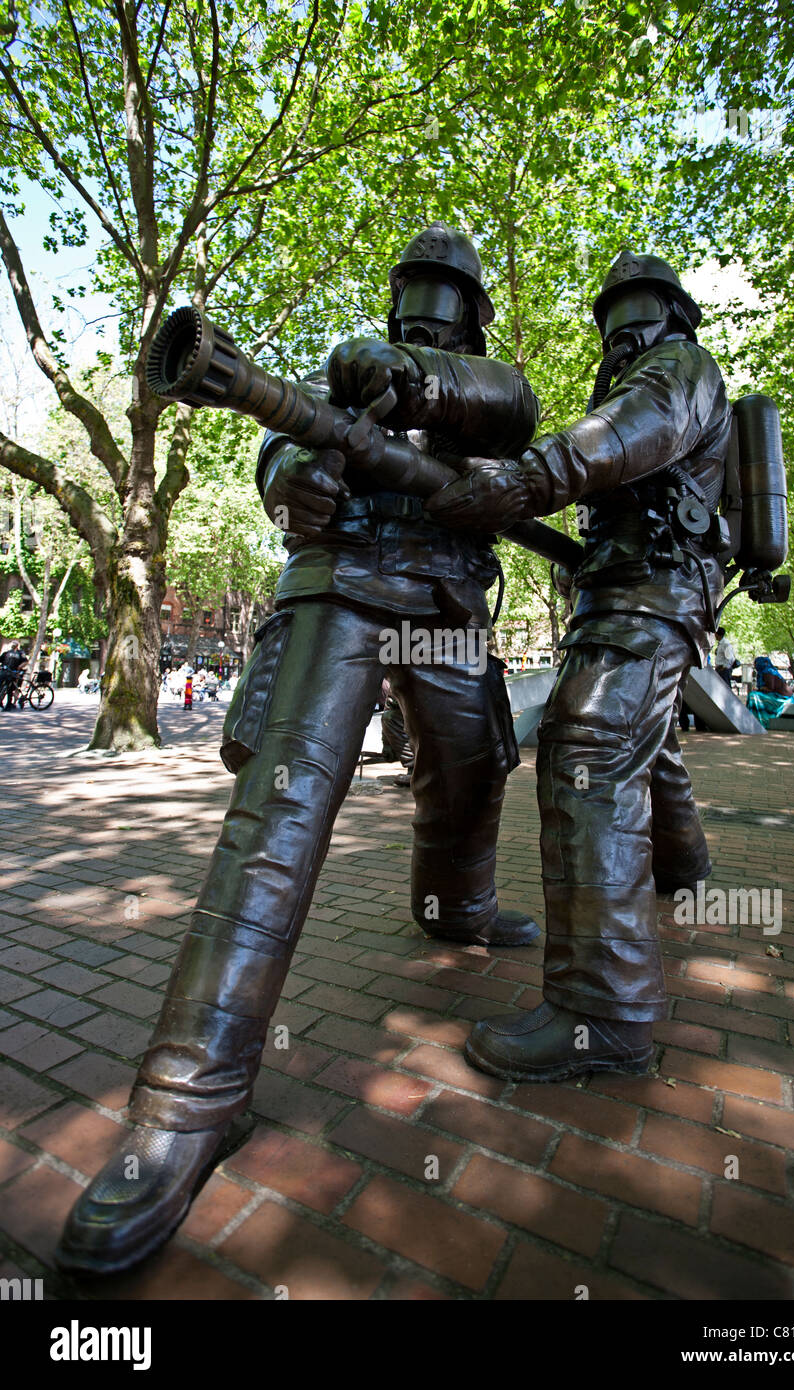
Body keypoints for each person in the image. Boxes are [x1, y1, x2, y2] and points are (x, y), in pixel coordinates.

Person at [57, 223, 542, 1274]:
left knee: (468, 775)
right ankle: (189, 1098)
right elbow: (280, 441)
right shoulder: (342, 366)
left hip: (448, 599)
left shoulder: (479, 383)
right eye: (410, 286)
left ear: (471, 309)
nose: (422, 303)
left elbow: (509, 410)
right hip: (339, 590)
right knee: (277, 824)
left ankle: (454, 906)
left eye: (443, 292)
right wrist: (291, 482)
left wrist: (413, 380)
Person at [426, 249, 732, 1081]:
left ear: (669, 315)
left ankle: (603, 1014)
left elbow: (632, 435)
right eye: (615, 313)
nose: (622, 327)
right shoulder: (635, 383)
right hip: (620, 595)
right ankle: (685, 868)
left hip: (652, 597)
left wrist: (527, 480)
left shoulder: (682, 370)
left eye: (634, 309)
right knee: (643, 736)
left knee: (588, 749)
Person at [0, 642, 27, 710]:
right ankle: (8, 704)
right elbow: (25, 662)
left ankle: (9, 704)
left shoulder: (18, 653)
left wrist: (19, 668)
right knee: (9, 689)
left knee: (10, 689)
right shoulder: (8, 652)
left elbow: (25, 661)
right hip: (8, 672)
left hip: (10, 672)